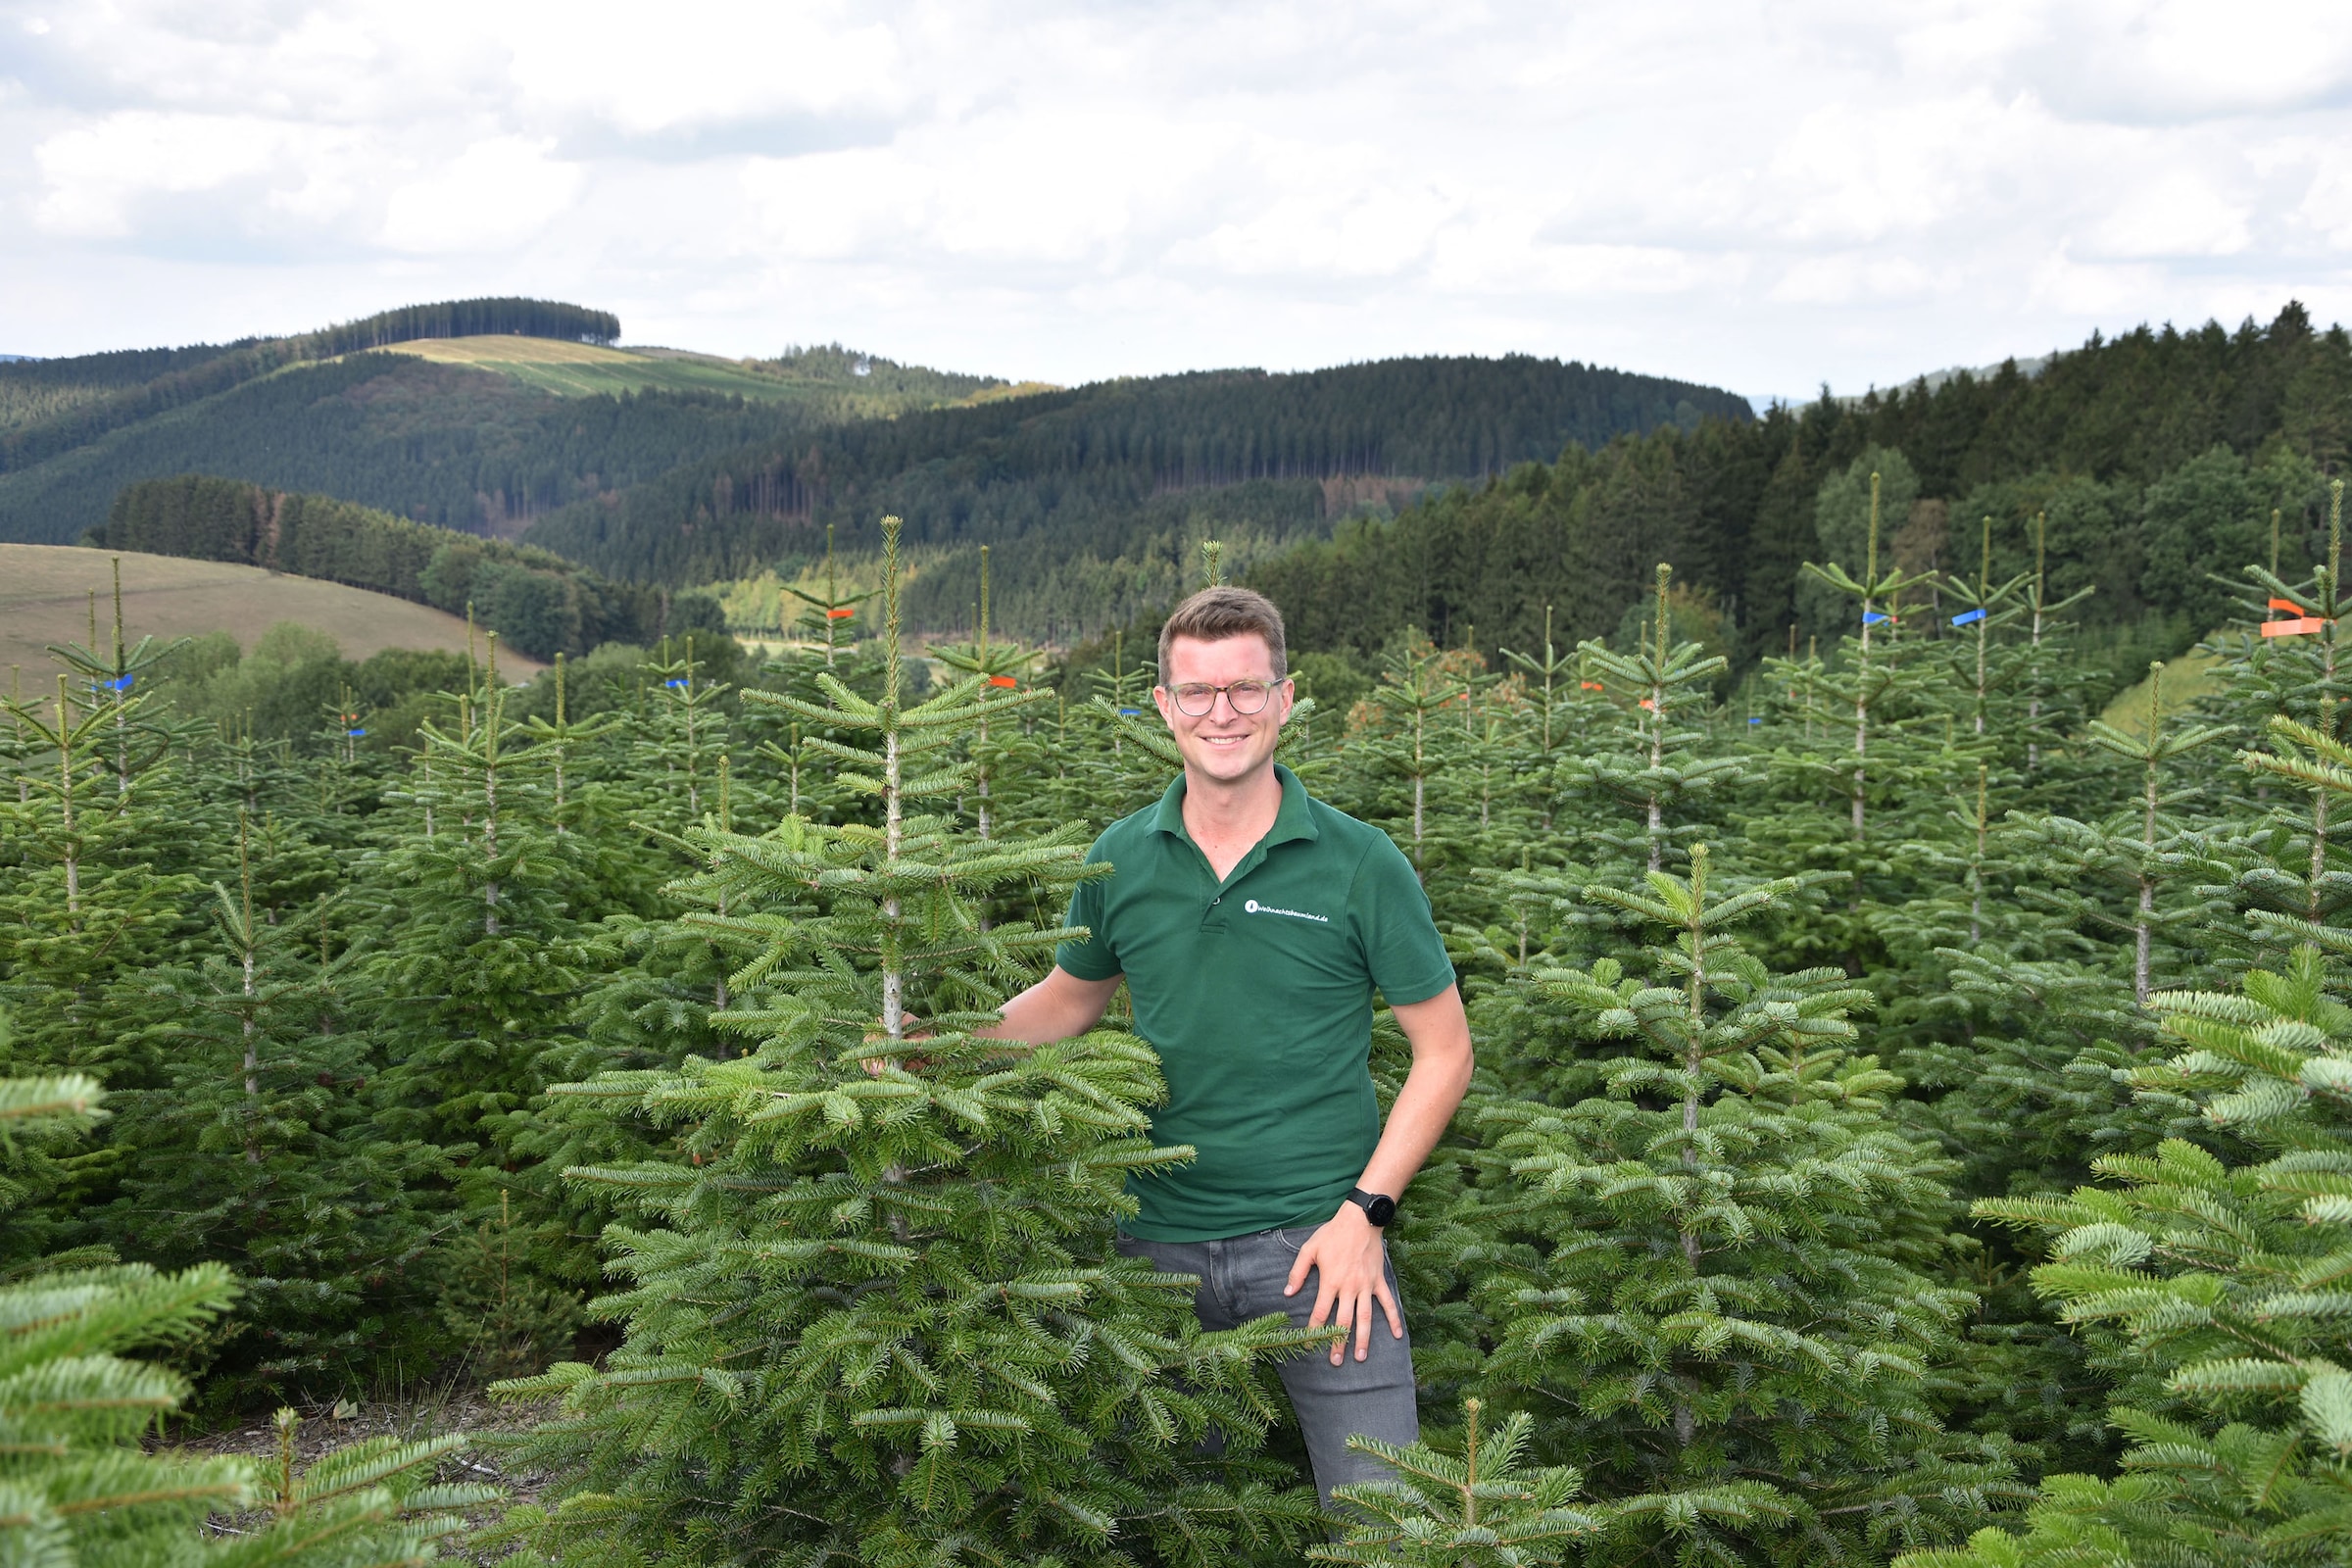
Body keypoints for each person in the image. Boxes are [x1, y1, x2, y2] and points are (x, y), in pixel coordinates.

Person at [981, 585, 1474, 1506]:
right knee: (1166, 1519)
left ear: (1285, 699)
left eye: (1246, 689)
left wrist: (1365, 1217)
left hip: (1321, 1251)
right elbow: (1068, 1000)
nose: (1224, 713)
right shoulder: (1121, 856)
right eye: (1199, 693)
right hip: (1149, 1252)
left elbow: (1445, 1052)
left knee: (1387, 1523)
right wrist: (937, 1050)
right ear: (1164, 707)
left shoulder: (1361, 863)